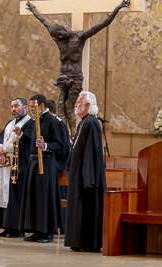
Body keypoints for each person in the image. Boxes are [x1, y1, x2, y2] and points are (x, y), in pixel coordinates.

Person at [25, 0, 131, 139]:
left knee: (70, 109)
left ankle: (74, 137)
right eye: (56, 37)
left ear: (62, 30)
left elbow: (103, 23)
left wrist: (118, 7)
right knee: (60, 106)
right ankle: (63, 137)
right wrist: (33, 10)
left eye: (59, 35)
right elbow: (44, 22)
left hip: (75, 77)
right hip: (63, 76)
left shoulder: (79, 36)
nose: (59, 38)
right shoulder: (58, 39)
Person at [64, 91, 107, 252]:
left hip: (86, 177)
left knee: (87, 209)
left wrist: (89, 177)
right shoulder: (84, 122)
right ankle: (78, 241)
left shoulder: (92, 123)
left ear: (87, 105)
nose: (75, 105)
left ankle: (88, 242)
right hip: (78, 175)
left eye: (78, 102)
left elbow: (92, 152)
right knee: (78, 209)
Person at [19, 94, 64, 243]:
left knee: (44, 198)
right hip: (34, 163)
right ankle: (36, 230)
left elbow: (59, 145)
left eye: (33, 106)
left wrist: (45, 146)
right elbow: (33, 142)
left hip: (46, 163)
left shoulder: (51, 121)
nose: (31, 109)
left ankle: (47, 232)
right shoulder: (37, 121)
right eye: (31, 106)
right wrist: (21, 136)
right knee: (34, 198)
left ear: (42, 106)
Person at [0, 98, 35, 238]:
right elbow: (0, 138)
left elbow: (27, 143)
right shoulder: (9, 124)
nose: (13, 109)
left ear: (26, 108)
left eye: (16, 106)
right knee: (4, 194)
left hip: (20, 165)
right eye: (11, 106)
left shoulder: (31, 124)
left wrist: (4, 149)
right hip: (5, 165)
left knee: (16, 196)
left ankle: (17, 228)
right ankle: (6, 225)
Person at [47, 99, 70, 233]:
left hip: (58, 167)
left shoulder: (59, 124)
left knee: (60, 198)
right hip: (50, 166)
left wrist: (56, 166)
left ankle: (62, 225)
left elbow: (65, 147)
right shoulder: (49, 123)